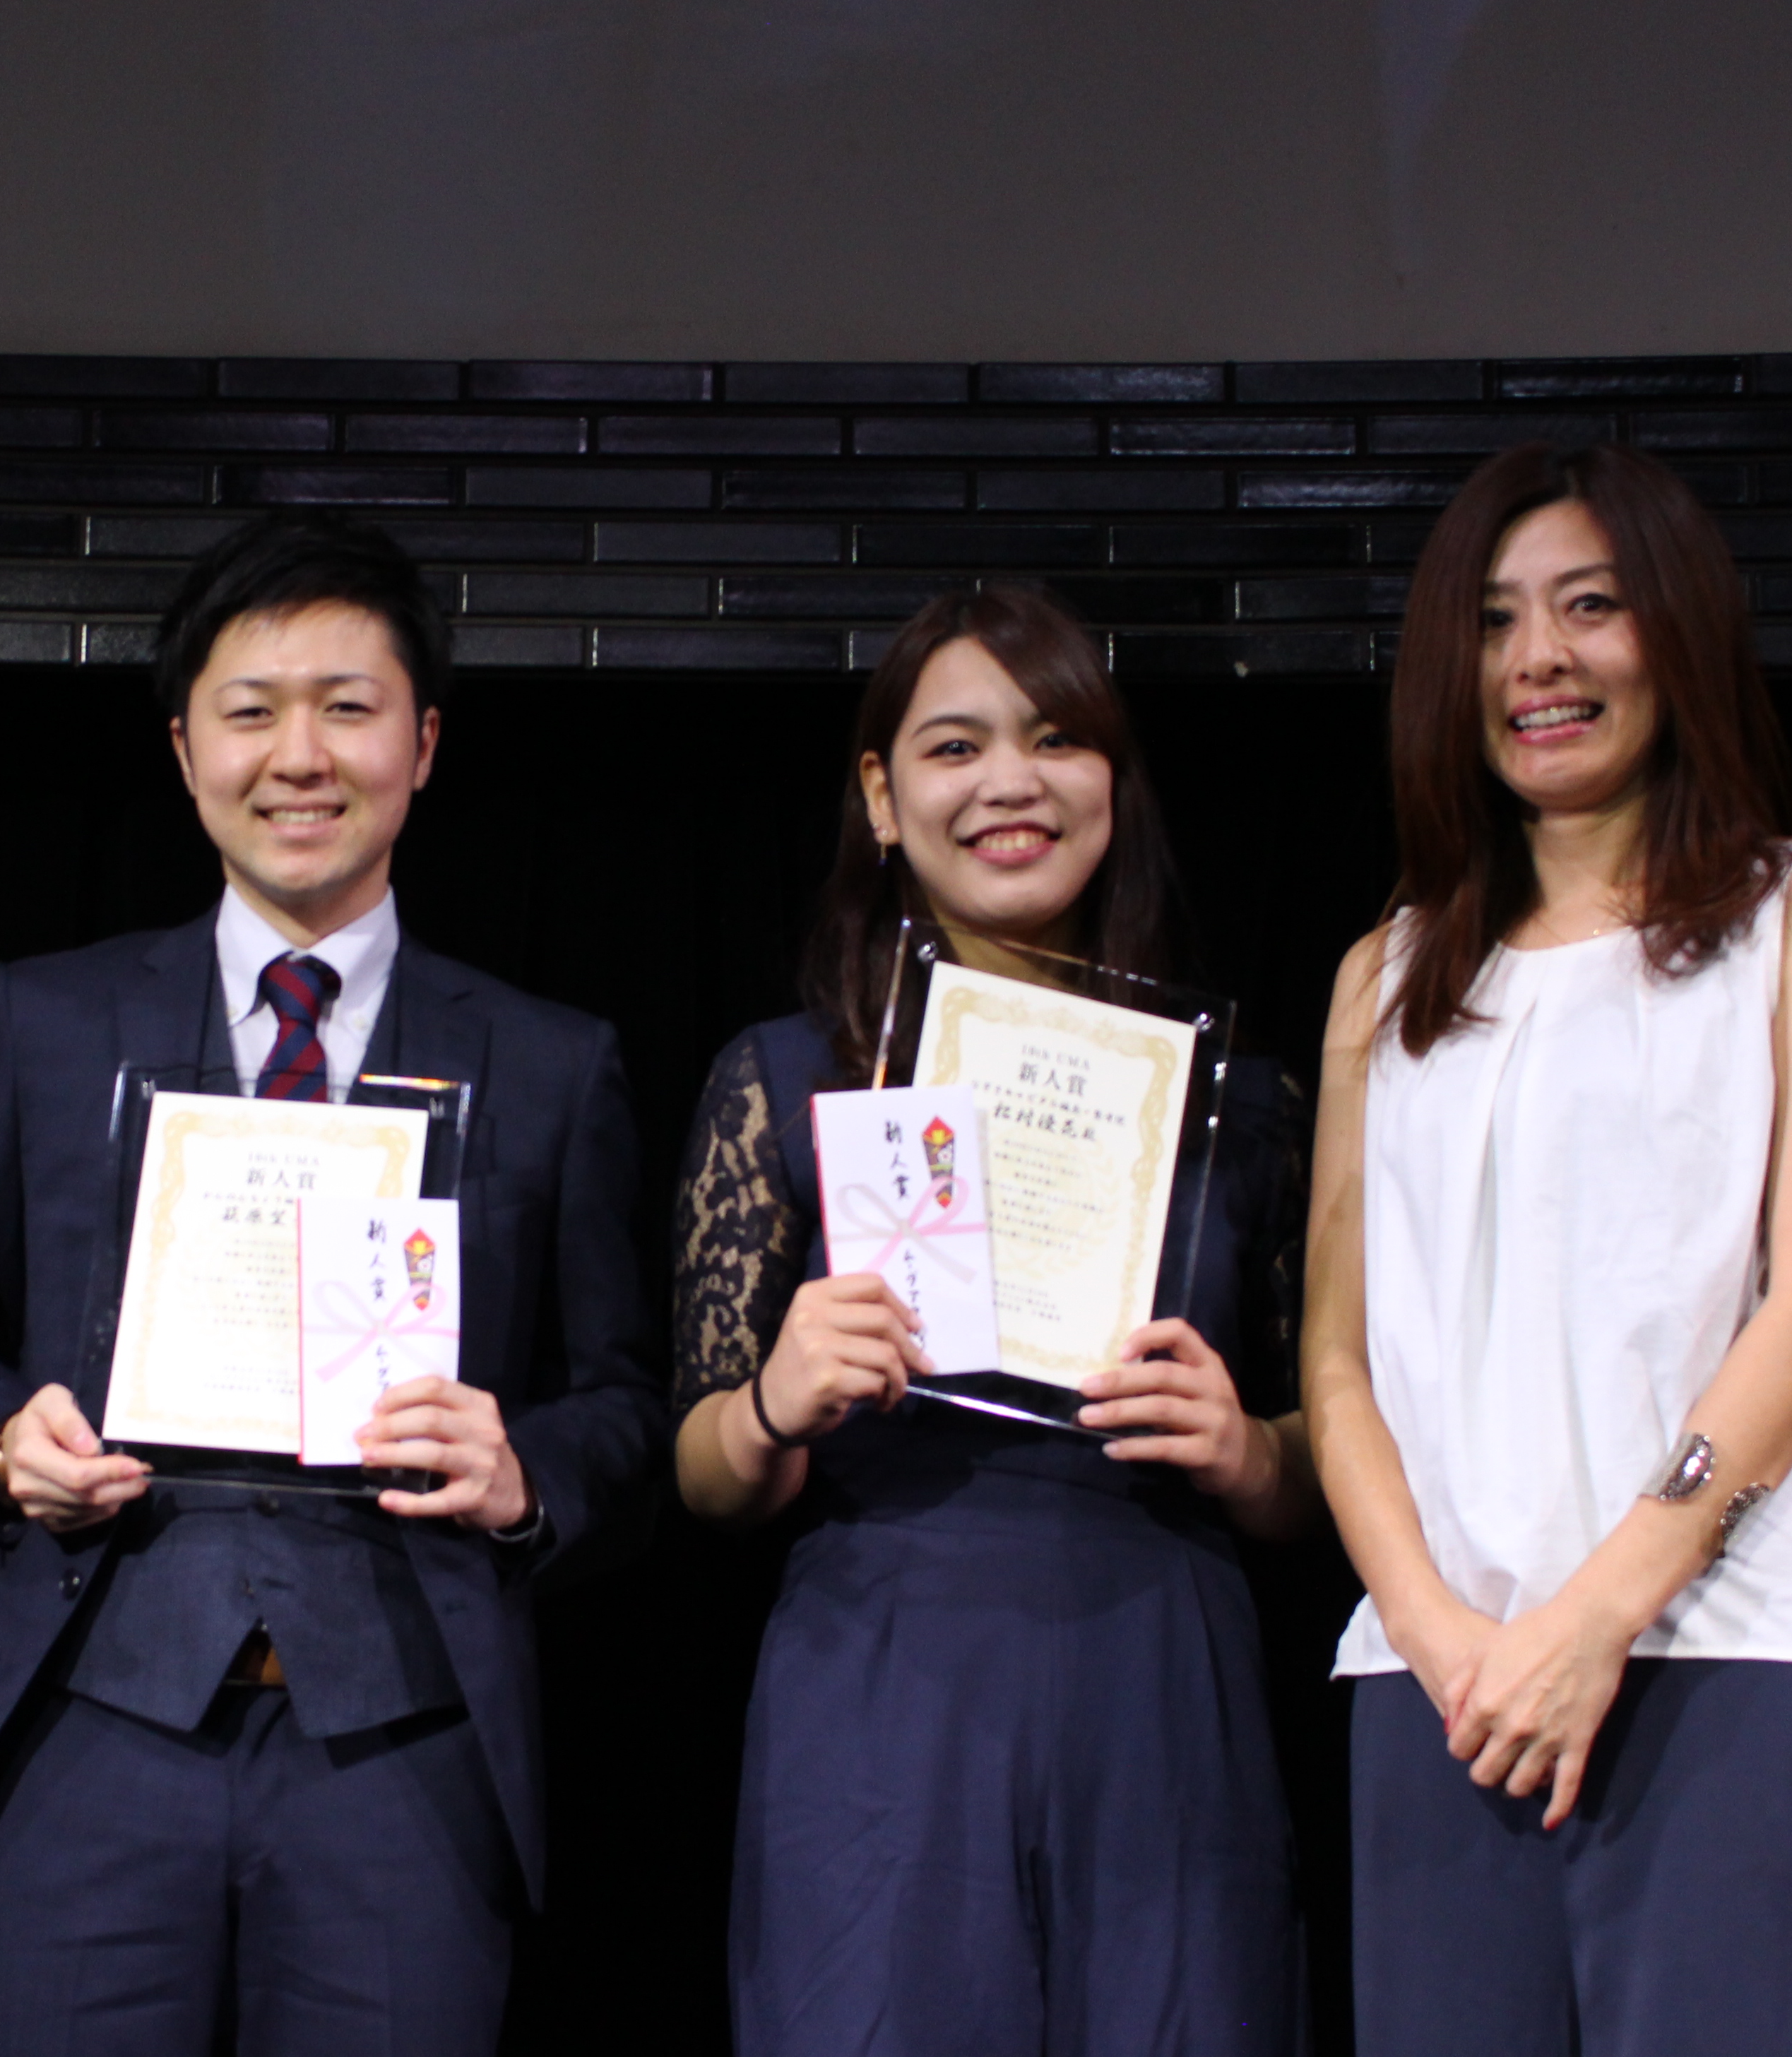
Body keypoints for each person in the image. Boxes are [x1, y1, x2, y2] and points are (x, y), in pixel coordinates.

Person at [0, 511, 660, 2056]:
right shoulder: (44, 1022)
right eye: (251, 711)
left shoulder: (550, 1060)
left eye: (348, 707)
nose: (298, 755)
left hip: (408, 1747)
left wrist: (523, 1475)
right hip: (88, 1722)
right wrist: (0, 1444)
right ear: (187, 752)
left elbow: (625, 1398)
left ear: (422, 745)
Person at [1300, 441, 1792, 2054]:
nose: (1539, 658)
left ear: (1679, 630)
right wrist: (1441, 1635)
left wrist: (1596, 1619)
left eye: (1591, 606)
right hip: (1444, 1694)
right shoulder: (1385, 976)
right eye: (1495, 620)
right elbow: (1338, 1364)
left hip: (1734, 1655)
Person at [672, 584, 1319, 2056]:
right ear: (881, 797)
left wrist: (1247, 1451)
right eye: (955, 746)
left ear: (1114, 781)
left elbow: (1326, 1466)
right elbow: (701, 1474)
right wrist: (772, 1404)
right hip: (883, 1676)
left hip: (1161, 1675)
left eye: (1056, 738)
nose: (1011, 783)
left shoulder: (1244, 1105)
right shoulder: (784, 1078)